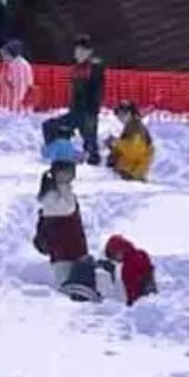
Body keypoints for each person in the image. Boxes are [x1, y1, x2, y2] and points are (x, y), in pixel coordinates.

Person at [33, 160, 95, 298]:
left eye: (71, 174)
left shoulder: (66, 192)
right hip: (62, 254)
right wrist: (63, 187)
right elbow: (67, 210)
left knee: (82, 292)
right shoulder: (51, 196)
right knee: (69, 293)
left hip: (76, 250)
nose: (68, 177)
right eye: (64, 173)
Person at [64, 35, 107, 164]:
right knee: (81, 132)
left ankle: (93, 156)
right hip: (77, 106)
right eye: (76, 51)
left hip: (89, 107)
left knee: (89, 134)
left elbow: (96, 89)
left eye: (80, 51)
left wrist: (93, 105)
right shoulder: (76, 66)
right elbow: (74, 87)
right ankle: (81, 152)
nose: (77, 54)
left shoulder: (95, 67)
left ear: (89, 52)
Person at [107, 103, 154, 182]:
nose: (119, 118)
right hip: (129, 169)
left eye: (121, 115)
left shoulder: (137, 128)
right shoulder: (130, 126)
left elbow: (134, 150)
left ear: (129, 113)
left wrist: (115, 143)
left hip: (134, 171)